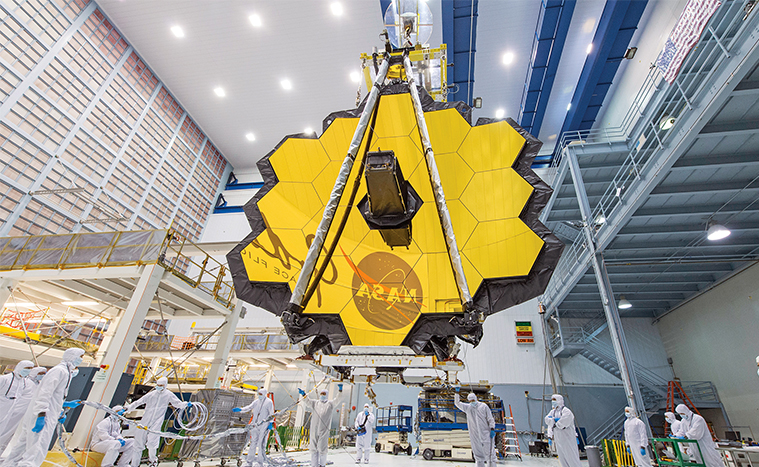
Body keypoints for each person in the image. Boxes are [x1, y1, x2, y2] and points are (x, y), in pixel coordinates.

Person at [1, 348, 84, 467]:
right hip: (43, 416)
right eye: (80, 356)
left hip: (43, 414)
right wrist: (41, 415)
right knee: (36, 452)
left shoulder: (65, 373)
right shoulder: (60, 371)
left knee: (19, 450)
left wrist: (60, 412)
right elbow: (44, 394)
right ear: (72, 356)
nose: (81, 359)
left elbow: (56, 398)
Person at [126, 377, 190, 467]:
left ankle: (153, 462)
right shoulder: (151, 394)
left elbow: (177, 403)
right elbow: (138, 402)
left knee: (152, 443)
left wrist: (185, 404)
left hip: (157, 421)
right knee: (138, 444)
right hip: (145, 420)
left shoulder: (168, 395)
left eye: (161, 385)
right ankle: (134, 464)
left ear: (165, 385)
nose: (159, 387)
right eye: (158, 385)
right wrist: (127, 409)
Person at [0, 366, 46, 455]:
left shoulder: (38, 385)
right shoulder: (26, 382)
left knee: (10, 437)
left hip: (23, 415)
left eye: (44, 374)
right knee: (3, 433)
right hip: (13, 412)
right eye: (40, 374)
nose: (42, 376)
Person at [297, 385, 342, 467]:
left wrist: (340, 391)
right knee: (313, 449)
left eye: (324, 393)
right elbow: (307, 401)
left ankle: (322, 465)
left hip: (324, 430)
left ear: (327, 395)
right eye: (321, 393)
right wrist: (303, 394)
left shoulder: (330, 404)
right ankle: (314, 465)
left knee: (322, 449)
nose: (322, 395)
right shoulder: (315, 403)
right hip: (314, 429)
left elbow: (337, 400)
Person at [233, 388, 274, 467]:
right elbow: (249, 407)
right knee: (253, 444)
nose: (259, 395)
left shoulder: (269, 402)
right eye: (259, 394)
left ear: (264, 394)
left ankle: (260, 463)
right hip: (255, 425)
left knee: (261, 444)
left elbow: (271, 413)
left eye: (261, 394)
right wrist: (241, 409)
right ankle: (249, 462)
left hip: (263, 426)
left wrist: (270, 423)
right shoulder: (256, 402)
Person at [454, 390, 495, 467]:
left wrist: (492, 428)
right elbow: (457, 403)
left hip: (486, 434)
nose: (472, 402)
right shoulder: (468, 408)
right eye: (470, 401)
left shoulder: (483, 406)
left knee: (490, 456)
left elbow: (490, 418)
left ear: (476, 399)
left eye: (473, 400)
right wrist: (456, 393)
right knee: (478, 457)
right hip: (475, 436)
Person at [0, 361, 34, 442]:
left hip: (9, 410)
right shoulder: (5, 379)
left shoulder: (23, 382)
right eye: (27, 368)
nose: (28, 370)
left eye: (30, 369)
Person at [544, 394, 582, 467]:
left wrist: (553, 421)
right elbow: (547, 420)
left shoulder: (566, 411)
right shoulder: (553, 412)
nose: (553, 402)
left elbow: (562, 424)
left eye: (554, 400)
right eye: (552, 400)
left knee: (572, 459)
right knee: (563, 460)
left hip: (568, 440)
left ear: (559, 401)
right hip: (559, 440)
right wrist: (554, 421)